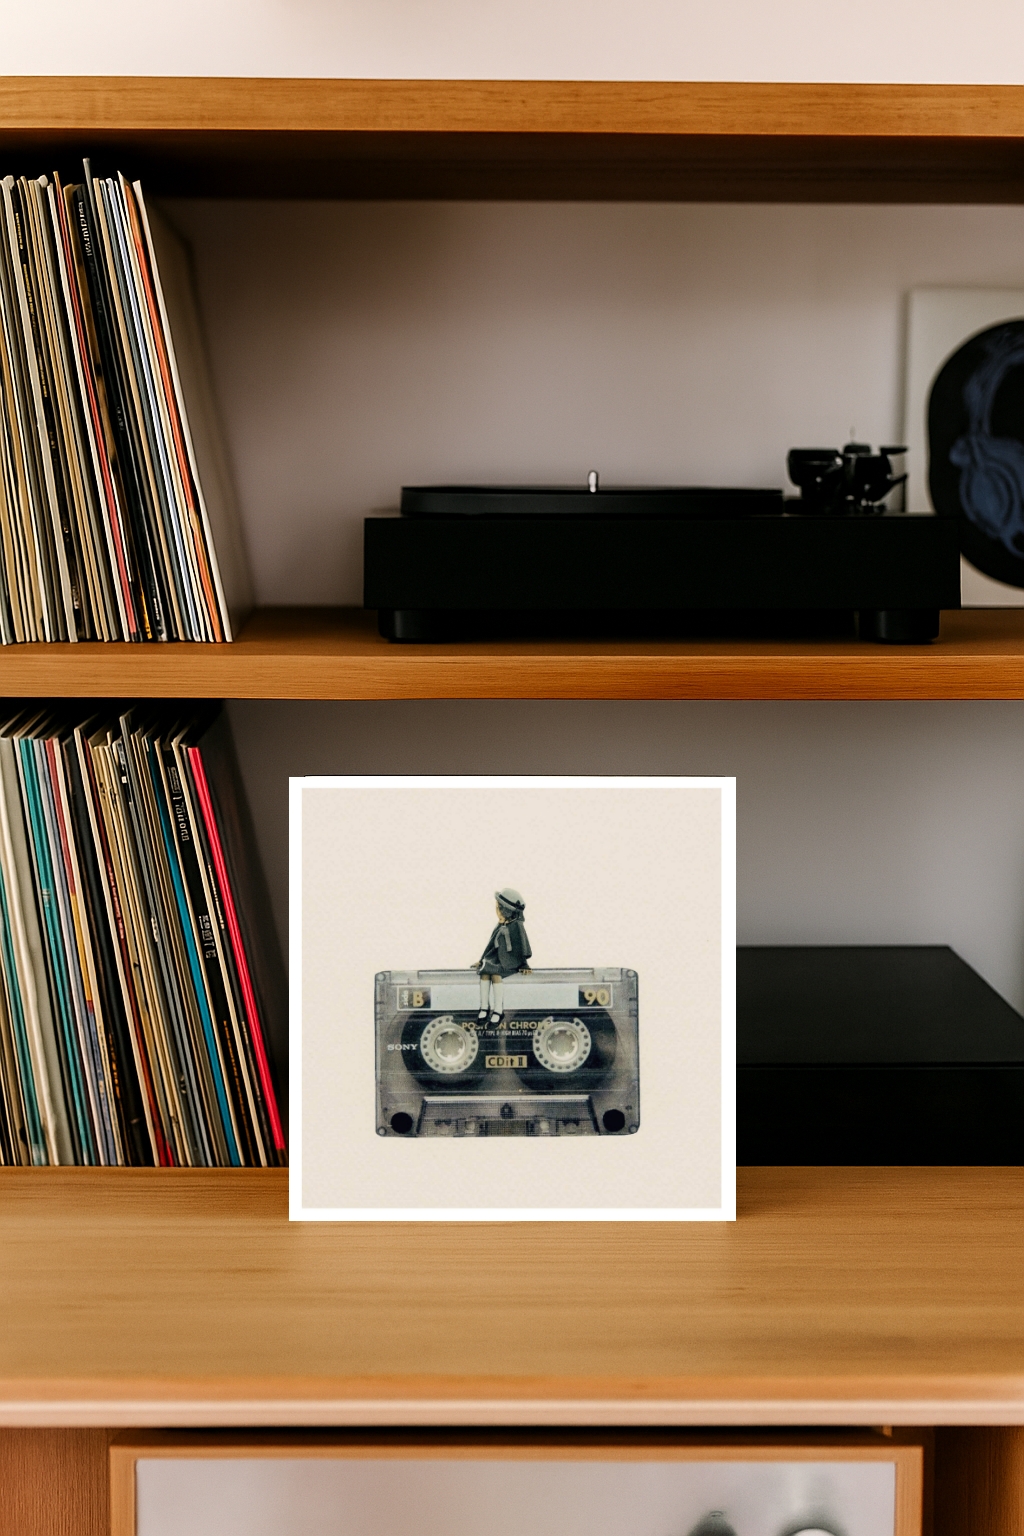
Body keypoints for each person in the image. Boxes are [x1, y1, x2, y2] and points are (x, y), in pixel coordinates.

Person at [475, 888, 531, 1025]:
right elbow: (490, 944)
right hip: (497, 958)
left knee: (495, 974)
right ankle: (484, 1007)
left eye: (498, 909)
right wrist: (482, 960)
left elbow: (523, 944)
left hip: (511, 961)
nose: (497, 912)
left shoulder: (517, 925)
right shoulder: (499, 925)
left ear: (506, 910)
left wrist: (524, 964)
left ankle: (498, 1011)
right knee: (484, 973)